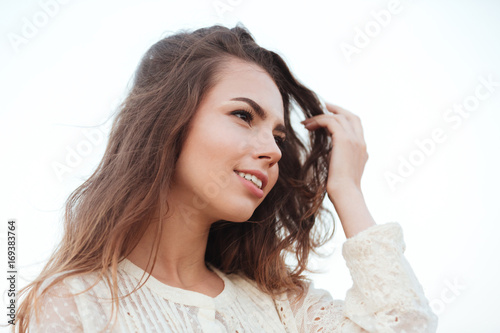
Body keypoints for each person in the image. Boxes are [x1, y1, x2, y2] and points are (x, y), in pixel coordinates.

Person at [14, 24, 438, 332]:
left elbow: (406, 326)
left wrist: (346, 188)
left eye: (278, 135)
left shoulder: (284, 310)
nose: (273, 150)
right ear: (167, 121)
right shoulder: (75, 305)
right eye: (242, 115)